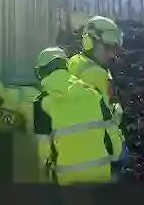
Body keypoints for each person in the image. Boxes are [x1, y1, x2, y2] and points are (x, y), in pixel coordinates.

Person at [33, 46, 124, 186]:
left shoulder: (43, 101)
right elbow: (112, 132)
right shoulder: (93, 93)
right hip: (101, 173)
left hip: (67, 178)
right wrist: (115, 159)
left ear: (42, 71)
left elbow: (43, 149)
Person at [67, 15, 123, 125]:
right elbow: (112, 120)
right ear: (89, 42)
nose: (112, 55)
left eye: (114, 49)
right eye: (107, 48)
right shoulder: (98, 75)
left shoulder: (74, 61)